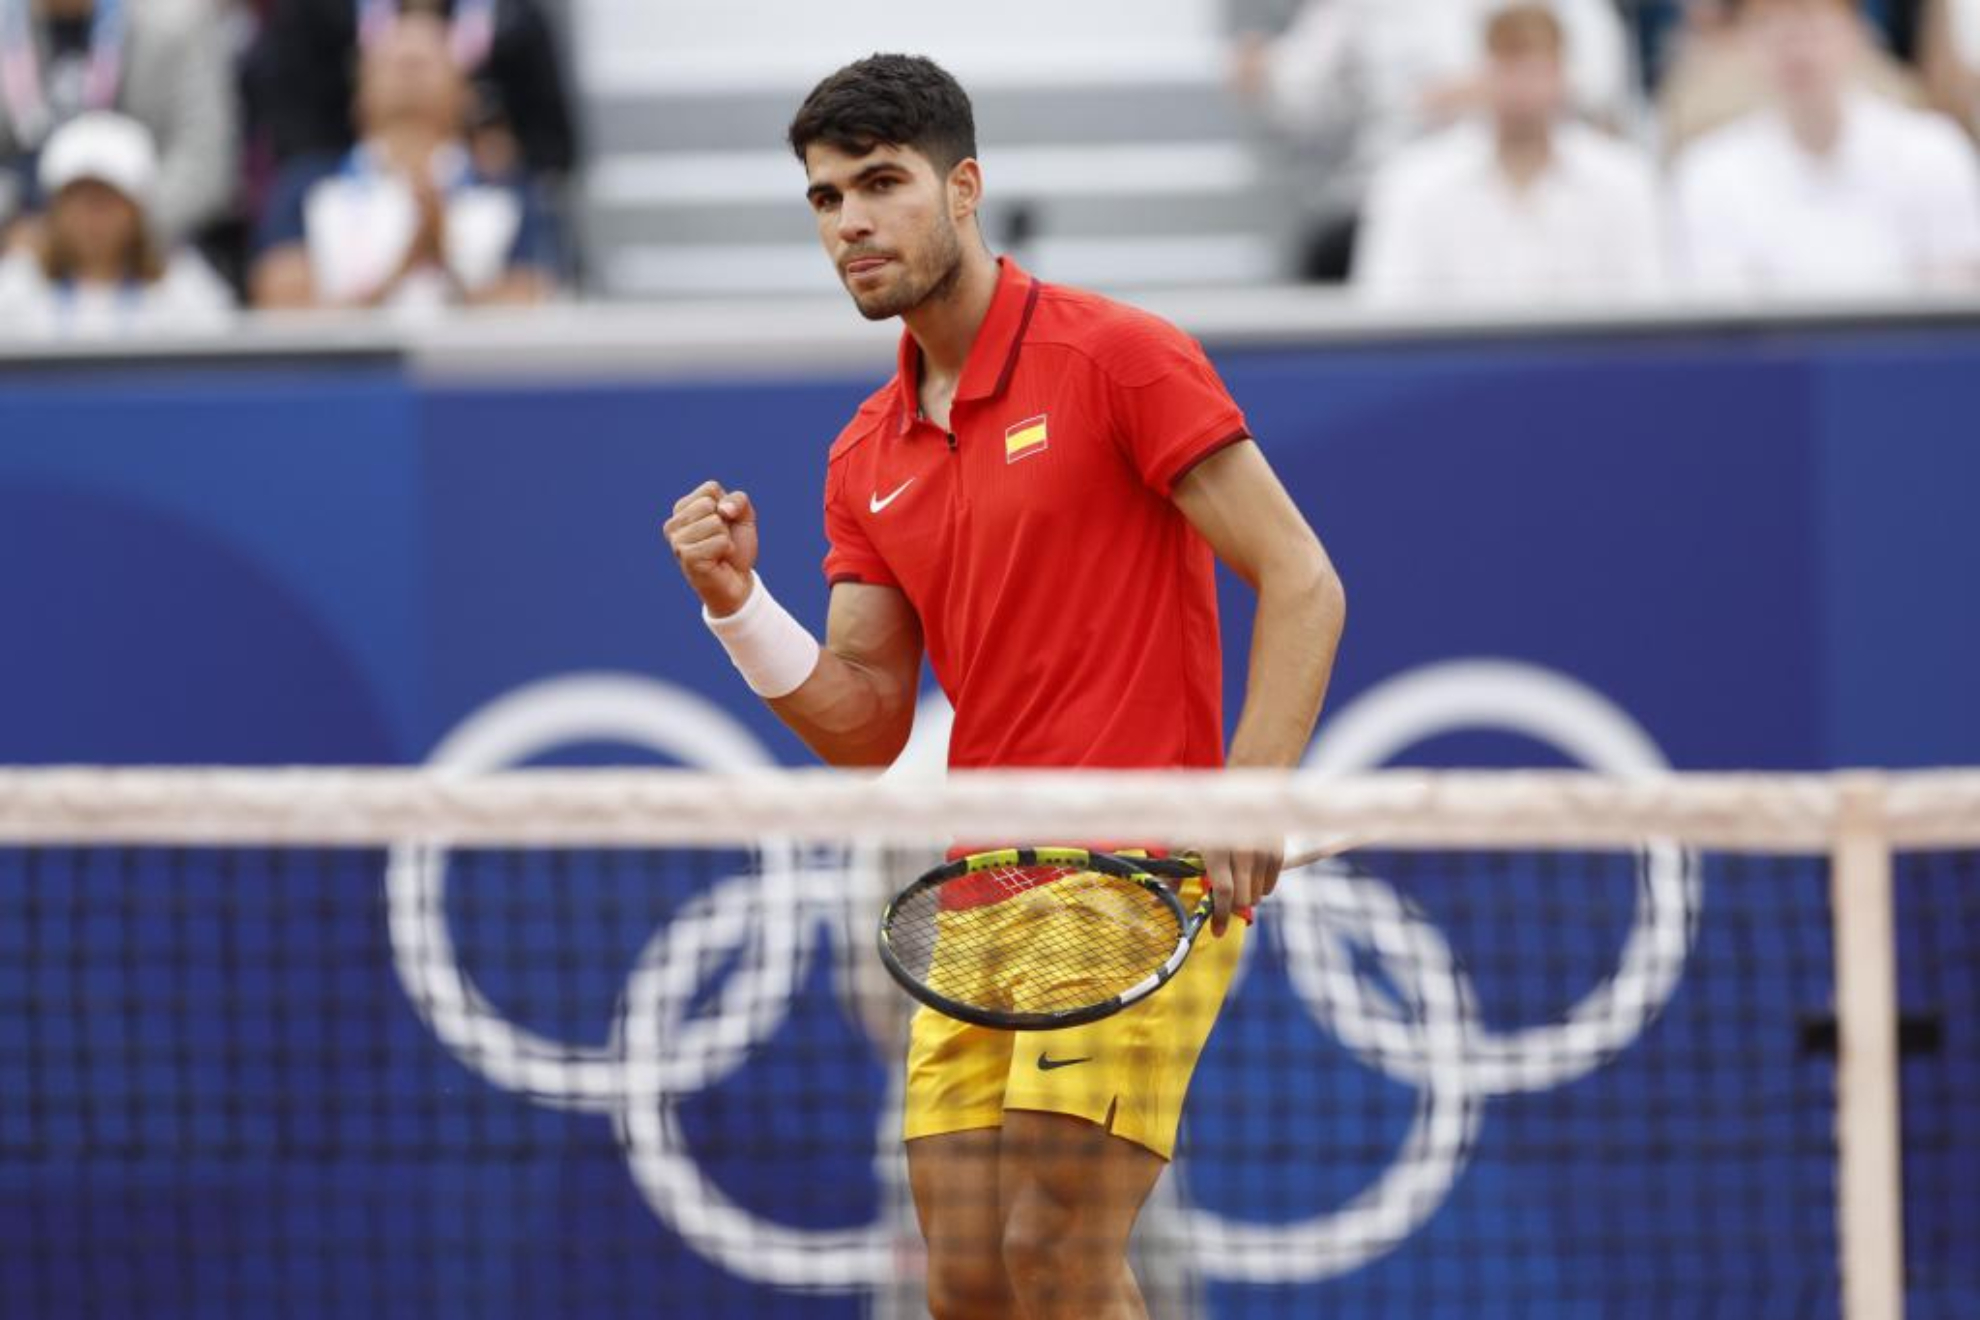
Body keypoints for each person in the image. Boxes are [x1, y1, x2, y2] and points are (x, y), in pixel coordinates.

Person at [663, 54, 1345, 1320]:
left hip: (1138, 879)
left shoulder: (1122, 358)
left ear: (964, 187)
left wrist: (1248, 801)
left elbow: (1303, 580)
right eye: (824, 199)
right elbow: (865, 724)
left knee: (1054, 1254)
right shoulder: (864, 454)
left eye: (881, 184)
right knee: (968, 1284)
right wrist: (737, 608)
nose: (851, 221)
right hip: (978, 893)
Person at [1231, 0, 1634, 280]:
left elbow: (1602, 79)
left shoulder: (1616, 180)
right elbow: (1302, 85)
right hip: (1382, 189)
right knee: (1333, 250)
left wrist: (1489, 91)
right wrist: (1265, 72)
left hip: (1531, 172)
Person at [1355, 3, 1667, 306]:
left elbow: (1652, 311)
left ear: (1562, 76)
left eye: (1536, 70)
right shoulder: (1413, 184)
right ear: (1484, 74)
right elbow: (1386, 316)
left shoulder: (1625, 180)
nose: (1523, 88)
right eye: (1509, 69)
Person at [248, 9, 558, 311]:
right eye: (391, 62)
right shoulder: (303, 186)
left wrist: (444, 265)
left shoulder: (510, 192)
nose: (408, 70)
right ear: (359, 92)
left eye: (426, 62)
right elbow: (282, 308)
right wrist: (402, 269)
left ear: (467, 94)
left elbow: (527, 305)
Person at [1672, 0, 1980, 296]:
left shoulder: (1933, 151)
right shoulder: (1709, 173)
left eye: (1810, 20)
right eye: (1767, 25)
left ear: (1854, 31)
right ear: (1743, 42)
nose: (1792, 46)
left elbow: (1955, 306)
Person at [248, 0, 575, 180]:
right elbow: (291, 134)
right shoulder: (313, 16)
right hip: (349, 194)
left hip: (475, 189)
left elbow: (556, 148)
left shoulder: (514, 20)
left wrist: (508, 159)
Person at [0, 0, 237, 246]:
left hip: (151, 250)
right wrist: (12, 223)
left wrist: (117, 230)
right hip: (19, 244)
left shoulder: (176, 22)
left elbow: (204, 161)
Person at [0, 109, 231, 335]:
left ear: (136, 212)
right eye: (77, 202)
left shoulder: (186, 290)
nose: (90, 220)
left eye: (105, 203)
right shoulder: (14, 288)